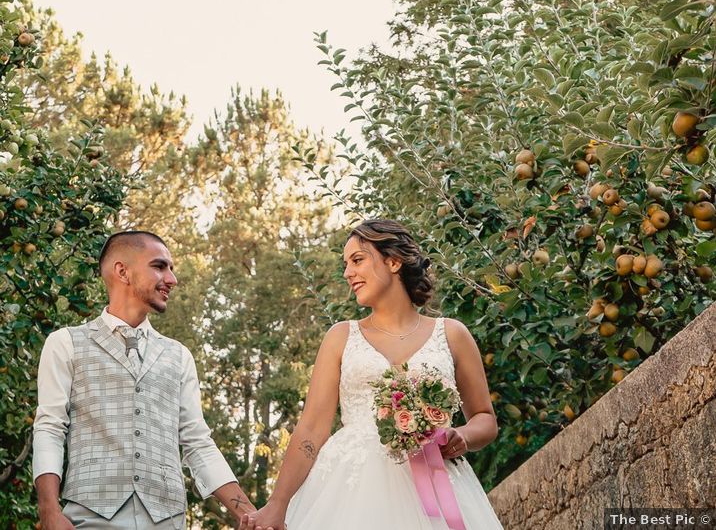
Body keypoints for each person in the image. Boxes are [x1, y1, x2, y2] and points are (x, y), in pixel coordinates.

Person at [241, 219, 503, 530]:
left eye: (357, 260)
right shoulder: (340, 338)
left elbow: (485, 418)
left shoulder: (452, 334)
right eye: (345, 264)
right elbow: (311, 428)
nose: (347, 273)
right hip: (349, 490)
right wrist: (277, 504)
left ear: (393, 261)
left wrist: (462, 436)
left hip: (437, 484)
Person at [33, 231, 256, 529]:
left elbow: (198, 444)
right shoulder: (65, 343)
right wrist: (49, 511)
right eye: (160, 266)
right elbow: (49, 427)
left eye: (170, 269)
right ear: (123, 271)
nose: (172, 279)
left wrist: (251, 516)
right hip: (91, 518)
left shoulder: (179, 356)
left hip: (167, 520)